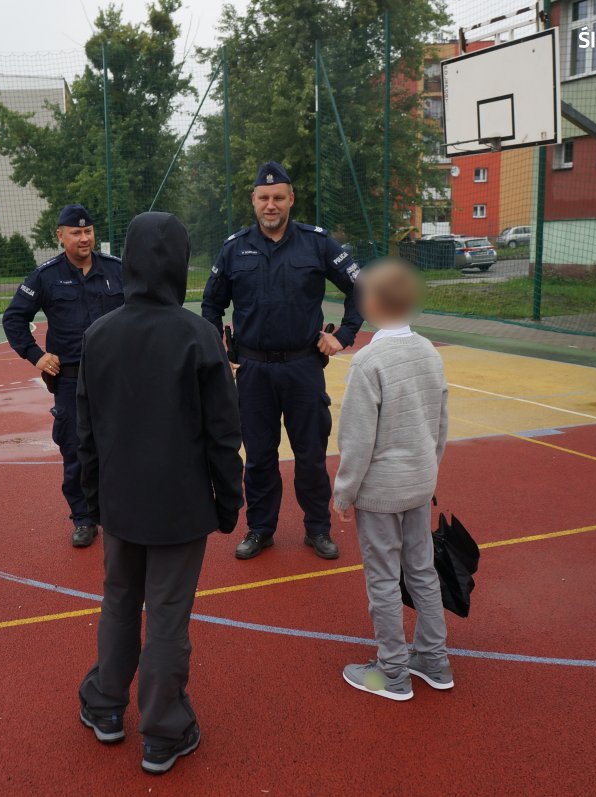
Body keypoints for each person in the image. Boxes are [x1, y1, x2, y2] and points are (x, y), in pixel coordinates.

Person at [76, 212, 243, 775]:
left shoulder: (100, 333)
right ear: (177, 263)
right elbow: (225, 431)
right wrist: (229, 500)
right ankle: (163, 731)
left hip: (122, 501)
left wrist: (92, 502)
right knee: (167, 616)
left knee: (120, 601)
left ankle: (105, 707)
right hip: (180, 504)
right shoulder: (197, 335)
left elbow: (87, 431)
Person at [201, 161, 363, 561]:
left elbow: (360, 287)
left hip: (303, 367)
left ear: (291, 199)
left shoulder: (317, 244)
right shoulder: (234, 247)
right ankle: (260, 529)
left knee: (310, 454)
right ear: (253, 201)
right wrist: (218, 349)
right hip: (253, 370)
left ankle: (317, 529)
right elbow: (211, 303)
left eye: (278, 197)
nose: (270, 204)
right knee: (258, 457)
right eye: (263, 198)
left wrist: (342, 336)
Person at [331, 258, 451, 702]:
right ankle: (434, 659)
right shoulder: (429, 352)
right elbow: (440, 424)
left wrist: (344, 492)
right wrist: (428, 469)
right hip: (419, 483)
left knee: (383, 577)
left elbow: (357, 438)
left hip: (381, 491)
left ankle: (393, 671)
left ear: (373, 304)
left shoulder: (368, 361)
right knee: (421, 570)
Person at [2, 204, 124, 548]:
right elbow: (14, 318)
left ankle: (120, 512)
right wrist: (36, 356)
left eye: (88, 232)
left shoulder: (118, 271)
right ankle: (84, 518)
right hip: (71, 380)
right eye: (76, 233)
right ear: (60, 236)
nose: (84, 239)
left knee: (122, 446)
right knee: (76, 449)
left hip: (116, 379)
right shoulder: (46, 276)